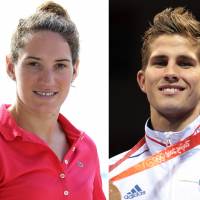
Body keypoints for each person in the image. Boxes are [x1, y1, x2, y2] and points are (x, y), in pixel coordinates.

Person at [0, 1, 105, 200]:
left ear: (75, 70)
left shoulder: (86, 148)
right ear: (11, 67)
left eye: (60, 65)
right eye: (34, 64)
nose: (47, 80)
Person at [109, 7, 200, 200]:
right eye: (160, 62)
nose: (171, 73)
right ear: (142, 81)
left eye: (185, 63)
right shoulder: (111, 178)